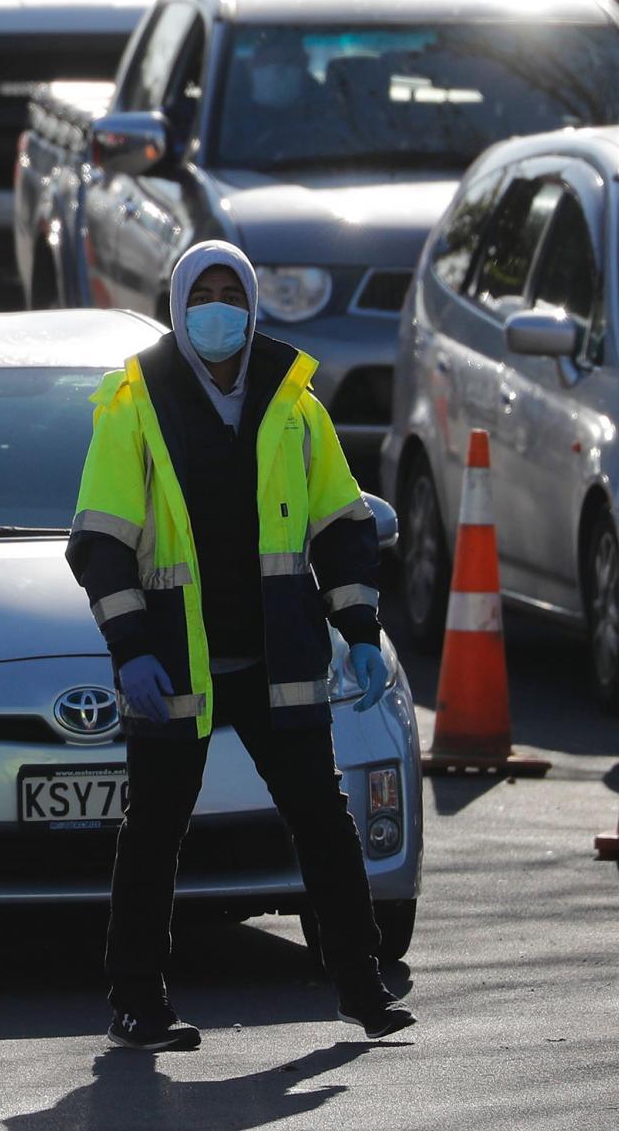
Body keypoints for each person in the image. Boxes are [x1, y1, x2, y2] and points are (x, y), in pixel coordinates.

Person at [67, 240, 412, 1051]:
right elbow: (101, 542)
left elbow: (341, 523)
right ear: (179, 304)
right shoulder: (136, 399)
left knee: (323, 821)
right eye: (203, 294)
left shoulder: (293, 400)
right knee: (155, 829)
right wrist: (131, 649)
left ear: (253, 306)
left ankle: (363, 985)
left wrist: (359, 631)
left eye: (232, 292)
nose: (218, 308)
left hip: (278, 656)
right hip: (175, 660)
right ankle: (137, 1002)